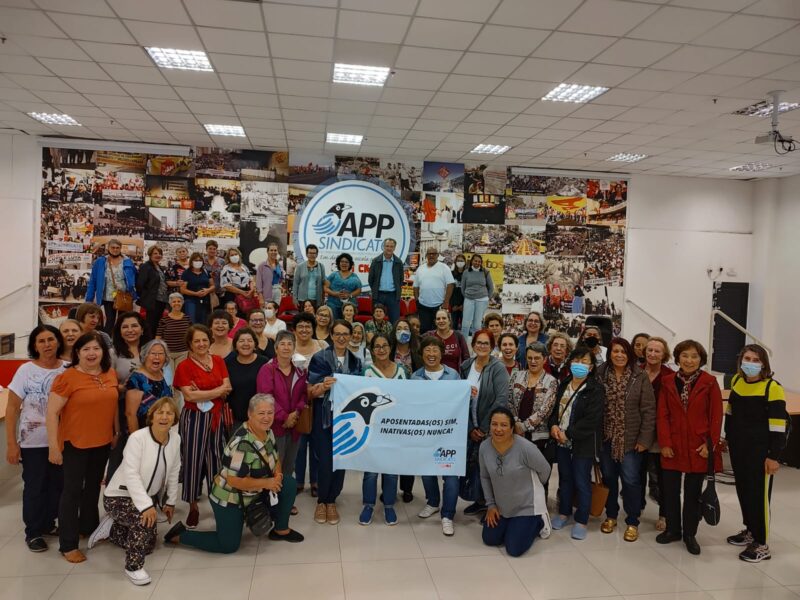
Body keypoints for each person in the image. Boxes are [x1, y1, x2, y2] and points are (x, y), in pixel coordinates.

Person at [165, 394, 303, 552]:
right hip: (230, 498)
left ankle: (281, 529)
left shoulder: (268, 432)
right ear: (250, 414)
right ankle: (180, 536)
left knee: (288, 483)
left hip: (255, 491)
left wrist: (277, 476)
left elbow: (275, 458)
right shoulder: (241, 444)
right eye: (261, 413)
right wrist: (268, 483)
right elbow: (234, 480)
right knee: (228, 545)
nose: (266, 417)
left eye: (270, 413)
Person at [89, 397, 180, 586]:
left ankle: (112, 529)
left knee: (148, 545)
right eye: (160, 412)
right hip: (118, 497)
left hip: (144, 497)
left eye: (169, 413)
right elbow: (131, 475)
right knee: (142, 520)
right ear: (151, 416)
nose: (164, 417)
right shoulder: (138, 438)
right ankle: (133, 567)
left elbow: (174, 470)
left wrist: (170, 501)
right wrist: (146, 506)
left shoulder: (175, 439)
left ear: (175, 418)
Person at [46, 331, 119, 563]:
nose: (91, 353)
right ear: (77, 352)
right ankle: (68, 544)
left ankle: (88, 527)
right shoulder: (67, 378)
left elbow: (113, 404)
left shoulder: (109, 373)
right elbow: (52, 413)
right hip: (74, 443)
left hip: (102, 441)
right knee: (72, 491)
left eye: (96, 348)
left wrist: (115, 431)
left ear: (103, 352)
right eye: (86, 349)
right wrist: (53, 447)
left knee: (93, 489)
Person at [656, 340, 722, 556]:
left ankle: (690, 534)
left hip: (698, 446)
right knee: (670, 491)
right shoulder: (667, 381)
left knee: (693, 493)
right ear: (677, 358)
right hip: (673, 444)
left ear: (701, 359)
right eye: (685, 355)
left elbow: (716, 416)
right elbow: (662, 415)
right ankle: (673, 530)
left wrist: (710, 444)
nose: (689, 360)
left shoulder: (709, 382)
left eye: (694, 356)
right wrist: (665, 443)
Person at [724, 344, 789, 563]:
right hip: (738, 448)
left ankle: (762, 543)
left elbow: (779, 425)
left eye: (755, 360)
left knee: (759, 497)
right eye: (747, 359)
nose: (750, 363)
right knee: (744, 491)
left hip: (760, 453)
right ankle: (750, 530)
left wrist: (774, 456)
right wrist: (727, 437)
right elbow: (731, 413)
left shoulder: (772, 388)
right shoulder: (737, 381)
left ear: (763, 364)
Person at [6, 325, 66, 553]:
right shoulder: (25, 370)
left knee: (57, 485)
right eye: (41, 341)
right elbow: (12, 408)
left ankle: (48, 523)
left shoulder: (67, 368)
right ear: (34, 346)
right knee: (35, 486)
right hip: (32, 441)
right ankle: (33, 532)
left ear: (58, 341)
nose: (47, 344)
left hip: (60, 440)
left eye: (51, 339)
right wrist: (12, 444)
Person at [595, 337, 656, 542]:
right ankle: (611, 515)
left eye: (623, 351)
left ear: (629, 354)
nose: (619, 355)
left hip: (631, 440)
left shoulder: (640, 376)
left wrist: (644, 440)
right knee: (609, 478)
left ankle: (632, 520)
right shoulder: (600, 374)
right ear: (609, 354)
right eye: (615, 351)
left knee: (630, 480)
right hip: (606, 438)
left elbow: (648, 410)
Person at [173, 324, 232, 529]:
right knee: (193, 460)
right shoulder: (184, 366)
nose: (201, 344)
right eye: (196, 341)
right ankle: (193, 506)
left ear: (210, 341)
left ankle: (218, 503)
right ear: (190, 344)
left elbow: (228, 387)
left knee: (217, 460)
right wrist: (217, 391)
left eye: (204, 340)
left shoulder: (218, 361)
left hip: (217, 417)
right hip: (194, 419)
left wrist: (203, 393)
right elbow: (189, 396)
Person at [308, 319, 363, 525]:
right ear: (331, 336)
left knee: (341, 458)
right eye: (337, 334)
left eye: (345, 334)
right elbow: (311, 390)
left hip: (346, 418)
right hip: (324, 416)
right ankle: (322, 500)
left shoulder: (356, 361)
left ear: (350, 336)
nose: (341, 338)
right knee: (325, 459)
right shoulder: (319, 357)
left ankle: (332, 500)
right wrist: (323, 386)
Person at [548, 345, 604, 540]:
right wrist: (553, 426)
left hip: (582, 444)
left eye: (584, 361)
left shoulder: (595, 389)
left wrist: (569, 434)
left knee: (581, 481)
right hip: (561, 442)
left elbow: (592, 419)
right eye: (576, 360)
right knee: (565, 479)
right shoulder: (564, 383)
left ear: (591, 367)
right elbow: (555, 409)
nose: (579, 364)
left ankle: (581, 520)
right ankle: (564, 512)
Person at [480, 407, 551, 557]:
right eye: (494, 424)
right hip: (502, 507)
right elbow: (485, 477)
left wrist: (536, 489)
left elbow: (545, 470)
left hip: (526, 506)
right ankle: (512, 525)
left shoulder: (525, 448)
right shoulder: (484, 447)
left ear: (512, 428)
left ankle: (539, 520)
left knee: (514, 549)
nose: (498, 429)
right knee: (490, 539)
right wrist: (491, 505)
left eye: (504, 425)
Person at [413, 336, 462, 536]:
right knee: (427, 471)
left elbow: (460, 402)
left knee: (451, 476)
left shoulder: (453, 375)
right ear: (422, 354)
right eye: (427, 350)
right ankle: (433, 502)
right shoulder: (415, 377)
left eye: (435, 350)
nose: (431, 354)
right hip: (425, 434)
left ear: (442, 353)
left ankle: (447, 515)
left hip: (449, 434)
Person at [460, 329, 510, 516]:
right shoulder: (466, 366)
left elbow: (501, 399)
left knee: (492, 469)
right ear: (473, 345)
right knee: (477, 468)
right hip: (470, 425)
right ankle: (481, 502)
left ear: (492, 346)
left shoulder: (498, 368)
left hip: (490, 428)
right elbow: (459, 398)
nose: (481, 346)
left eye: (486, 343)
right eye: (478, 343)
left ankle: (494, 508)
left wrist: (483, 428)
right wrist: (470, 428)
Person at [359, 333, 407, 526]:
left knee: (391, 470)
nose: (381, 349)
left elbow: (408, 398)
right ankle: (368, 505)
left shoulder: (402, 371)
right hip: (372, 428)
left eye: (384, 345)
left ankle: (389, 505)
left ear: (390, 347)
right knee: (370, 471)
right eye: (377, 346)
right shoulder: (366, 372)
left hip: (394, 428)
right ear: (372, 350)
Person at [256, 331, 308, 487]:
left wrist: (296, 413)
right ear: (276, 348)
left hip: (294, 426)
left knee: (289, 466)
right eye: (282, 344)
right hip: (274, 426)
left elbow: (304, 395)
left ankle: (285, 497)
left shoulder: (300, 370)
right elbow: (266, 397)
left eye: (290, 344)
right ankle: (272, 498)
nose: (286, 347)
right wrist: (285, 417)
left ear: (294, 347)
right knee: (273, 466)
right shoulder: (267, 369)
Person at [509, 343, 558, 485]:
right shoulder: (516, 375)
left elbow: (545, 410)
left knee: (538, 479)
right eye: (529, 358)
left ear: (545, 359)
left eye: (537, 358)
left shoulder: (551, 381)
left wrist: (523, 427)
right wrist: (515, 423)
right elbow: (509, 401)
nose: (533, 361)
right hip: (515, 436)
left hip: (539, 438)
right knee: (516, 477)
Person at [292, 312, 326, 498]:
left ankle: (316, 480)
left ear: (313, 329)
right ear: (294, 330)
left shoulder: (322, 346)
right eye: (300, 326)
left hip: (319, 401)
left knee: (317, 443)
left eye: (308, 326)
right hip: (296, 402)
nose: (304, 329)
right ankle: (298, 481)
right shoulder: (289, 347)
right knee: (298, 444)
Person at [643, 336, 673, 532]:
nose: (652, 354)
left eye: (657, 351)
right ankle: (635, 509)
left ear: (664, 354)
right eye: (650, 350)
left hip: (660, 433)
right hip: (639, 432)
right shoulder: (636, 372)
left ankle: (664, 514)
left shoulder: (670, 376)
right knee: (636, 475)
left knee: (661, 477)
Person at [85, 238, 138, 334]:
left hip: (124, 297)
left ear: (120, 248)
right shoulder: (100, 262)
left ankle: (120, 341)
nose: (115, 249)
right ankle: (106, 341)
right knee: (110, 321)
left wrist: (134, 293)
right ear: (108, 248)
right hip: (108, 297)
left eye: (117, 248)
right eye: (113, 247)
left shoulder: (127, 262)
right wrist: (89, 299)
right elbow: (93, 281)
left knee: (123, 322)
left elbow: (135, 277)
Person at [224, 328, 269, 432]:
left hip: (260, 417)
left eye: (249, 340)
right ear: (235, 345)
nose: (246, 344)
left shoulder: (264, 362)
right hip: (236, 418)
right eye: (241, 341)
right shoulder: (228, 363)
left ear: (255, 344)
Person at [124, 340, 172, 433]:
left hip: (162, 431)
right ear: (145, 356)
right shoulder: (136, 379)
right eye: (153, 353)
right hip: (143, 433)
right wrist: (137, 440)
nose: (157, 357)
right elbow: (130, 415)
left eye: (161, 353)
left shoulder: (162, 373)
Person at [412, 247, 455, 334]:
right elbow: (415, 286)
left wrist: (446, 302)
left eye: (434, 254)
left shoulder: (444, 268)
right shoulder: (420, 269)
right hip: (423, 306)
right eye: (429, 254)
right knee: (424, 330)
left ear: (438, 255)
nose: (431, 255)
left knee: (439, 330)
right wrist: (417, 300)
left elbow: (450, 284)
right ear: (426, 255)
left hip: (439, 306)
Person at [136, 245, 169, 339]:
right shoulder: (146, 266)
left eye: (160, 253)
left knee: (157, 323)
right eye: (155, 253)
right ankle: (148, 343)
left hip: (162, 300)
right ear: (150, 255)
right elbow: (140, 284)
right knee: (151, 324)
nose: (158, 255)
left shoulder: (159, 267)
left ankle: (154, 342)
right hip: (152, 300)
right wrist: (145, 296)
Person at [368, 238, 404, 324]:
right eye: (387, 246)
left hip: (393, 295)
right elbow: (371, 279)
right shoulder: (376, 261)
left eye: (391, 246)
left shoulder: (398, 262)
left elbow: (401, 279)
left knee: (394, 320)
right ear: (383, 247)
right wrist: (375, 290)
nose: (389, 248)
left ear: (394, 248)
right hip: (378, 295)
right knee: (377, 319)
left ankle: (392, 333)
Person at [459, 253, 494, 340]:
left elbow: (491, 287)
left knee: (477, 325)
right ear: (472, 261)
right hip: (469, 299)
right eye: (475, 261)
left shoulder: (485, 272)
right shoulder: (466, 272)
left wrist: (487, 298)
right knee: (465, 323)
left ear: (481, 263)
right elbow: (462, 287)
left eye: (479, 261)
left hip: (482, 300)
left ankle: (475, 343)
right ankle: (463, 343)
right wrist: (467, 295)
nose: (477, 263)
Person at [156, 292, 192, 371]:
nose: (176, 303)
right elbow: (158, 337)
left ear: (182, 303)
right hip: (168, 354)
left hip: (183, 353)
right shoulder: (164, 319)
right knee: (170, 377)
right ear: (170, 303)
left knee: (180, 375)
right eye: (174, 301)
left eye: (179, 301)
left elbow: (191, 336)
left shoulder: (187, 318)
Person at [324, 252, 362, 319]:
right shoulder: (333, 275)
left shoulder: (354, 277)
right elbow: (325, 287)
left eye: (346, 262)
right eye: (342, 262)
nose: (344, 264)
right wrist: (335, 294)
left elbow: (359, 290)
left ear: (350, 264)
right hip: (333, 305)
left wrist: (349, 295)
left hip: (348, 306)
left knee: (347, 322)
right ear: (338, 263)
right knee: (333, 322)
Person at [181, 252, 214, 325]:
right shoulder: (186, 273)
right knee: (192, 322)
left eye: (200, 260)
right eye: (196, 260)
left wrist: (207, 290)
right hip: (191, 301)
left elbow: (213, 286)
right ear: (191, 261)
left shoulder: (206, 272)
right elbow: (183, 290)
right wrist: (195, 294)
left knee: (204, 322)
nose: (198, 262)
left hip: (205, 301)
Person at [292, 244, 326, 308]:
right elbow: (296, 283)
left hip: (317, 300)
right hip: (302, 300)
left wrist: (323, 298)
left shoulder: (321, 266)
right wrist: (294, 298)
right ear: (307, 254)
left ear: (317, 254)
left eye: (314, 253)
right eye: (310, 253)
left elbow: (324, 283)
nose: (312, 255)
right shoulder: (300, 266)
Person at [204, 239, 226, 309]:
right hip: (206, 290)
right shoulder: (202, 261)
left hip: (220, 291)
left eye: (214, 249)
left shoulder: (222, 261)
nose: (212, 251)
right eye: (210, 248)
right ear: (206, 249)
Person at [450, 253, 467, 333]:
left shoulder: (467, 274)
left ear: (465, 262)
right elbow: (449, 290)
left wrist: (463, 305)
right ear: (455, 262)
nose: (460, 262)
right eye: (458, 260)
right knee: (453, 326)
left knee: (465, 327)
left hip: (465, 305)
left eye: (462, 261)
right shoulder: (451, 274)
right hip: (454, 305)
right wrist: (453, 305)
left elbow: (469, 290)